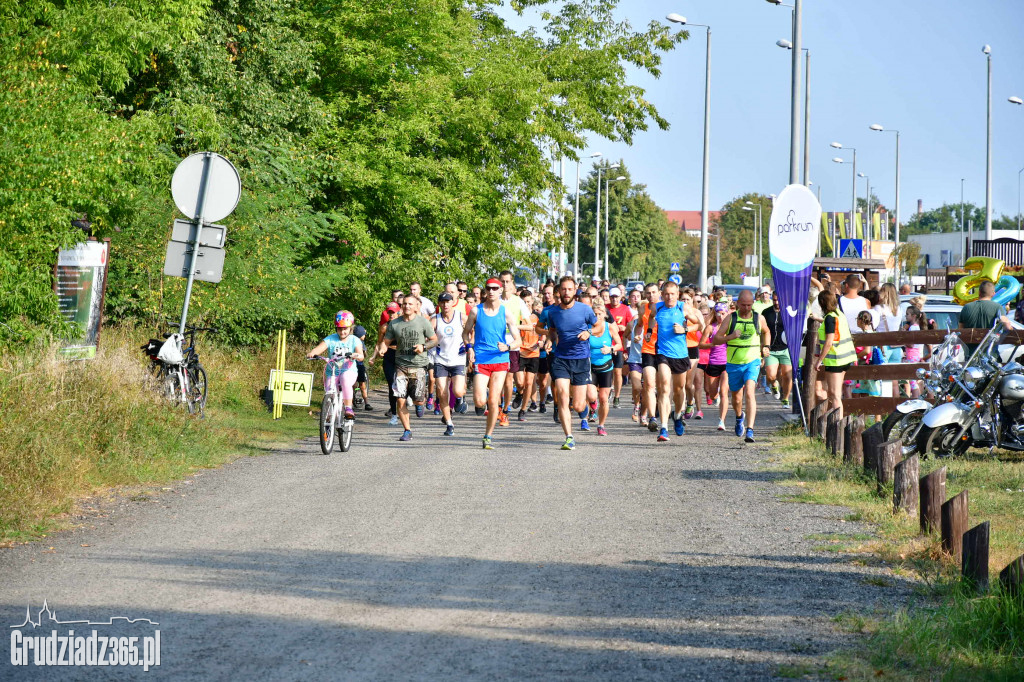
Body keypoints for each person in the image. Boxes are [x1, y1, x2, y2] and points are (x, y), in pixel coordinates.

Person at [536, 276, 600, 451]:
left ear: (575, 291)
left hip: (581, 359)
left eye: (569, 289)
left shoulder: (585, 310)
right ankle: (569, 437)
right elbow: (550, 330)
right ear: (559, 291)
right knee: (563, 397)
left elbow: (599, 327)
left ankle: (584, 411)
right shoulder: (553, 312)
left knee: (578, 405)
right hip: (561, 358)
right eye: (563, 289)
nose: (566, 292)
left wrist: (589, 332)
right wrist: (550, 339)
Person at [463, 278, 522, 450]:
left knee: (494, 400)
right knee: (480, 401)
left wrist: (508, 346)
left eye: (495, 288)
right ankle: (484, 397)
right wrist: (469, 347)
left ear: (500, 290)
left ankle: (488, 435)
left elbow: (518, 340)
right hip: (481, 359)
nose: (491, 291)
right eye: (488, 288)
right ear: (485, 291)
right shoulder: (476, 311)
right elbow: (465, 333)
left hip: (500, 359)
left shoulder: (506, 313)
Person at [712, 290, 771, 443]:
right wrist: (731, 336)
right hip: (733, 363)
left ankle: (750, 430)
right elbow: (717, 339)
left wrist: (766, 346)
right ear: (738, 304)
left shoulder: (758, 318)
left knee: (750, 392)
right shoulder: (731, 318)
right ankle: (739, 417)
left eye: (749, 305)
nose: (746, 308)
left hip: (752, 361)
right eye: (743, 305)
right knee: (736, 399)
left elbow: (766, 331)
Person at [377, 296, 438, 441]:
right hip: (400, 366)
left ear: (416, 306)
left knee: (418, 400)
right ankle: (407, 430)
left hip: (418, 366)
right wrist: (382, 349)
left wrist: (423, 346)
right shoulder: (394, 324)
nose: (407, 306)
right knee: (400, 399)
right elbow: (385, 342)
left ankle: (420, 403)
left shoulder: (423, 322)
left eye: (410, 304)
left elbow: (435, 340)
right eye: (404, 304)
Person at [650, 281, 701, 441]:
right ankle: (664, 428)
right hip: (663, 353)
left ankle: (678, 416)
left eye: (672, 294)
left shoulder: (682, 307)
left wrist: (684, 329)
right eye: (666, 294)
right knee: (665, 388)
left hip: (680, 354)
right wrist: (650, 331)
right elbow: (652, 318)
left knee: (679, 390)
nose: (669, 297)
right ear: (662, 294)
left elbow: (699, 325)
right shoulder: (657, 307)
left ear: (677, 294)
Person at [306, 310, 365, 420]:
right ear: (336, 328)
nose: (342, 332)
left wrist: (355, 355)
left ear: (350, 328)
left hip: (348, 371)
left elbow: (361, 355)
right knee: (329, 390)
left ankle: (348, 408)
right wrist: (312, 353)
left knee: (345, 379)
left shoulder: (354, 340)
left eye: (345, 329)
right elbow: (320, 348)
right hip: (332, 371)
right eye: (340, 329)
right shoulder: (331, 338)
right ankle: (329, 418)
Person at [814, 290, 856, 419]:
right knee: (836, 394)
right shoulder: (839, 314)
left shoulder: (829, 318)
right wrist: (818, 319)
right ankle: (838, 421)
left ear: (822, 303)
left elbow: (829, 342)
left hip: (835, 360)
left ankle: (838, 423)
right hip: (846, 358)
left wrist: (819, 360)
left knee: (835, 395)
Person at [433, 292, 468, 436]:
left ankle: (460, 399)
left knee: (458, 391)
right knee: (442, 391)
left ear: (453, 302)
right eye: (442, 302)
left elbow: (470, 332)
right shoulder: (435, 320)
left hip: (458, 358)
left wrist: (470, 347)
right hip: (441, 359)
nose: (445, 304)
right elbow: (429, 337)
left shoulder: (461, 317)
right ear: (439, 304)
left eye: (448, 301)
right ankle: (449, 423)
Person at [587, 299, 621, 435]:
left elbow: (619, 344)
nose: (597, 316)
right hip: (590, 365)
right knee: (591, 395)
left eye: (600, 314)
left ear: (605, 315)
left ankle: (601, 425)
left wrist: (611, 349)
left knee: (603, 398)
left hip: (606, 366)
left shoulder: (610, 327)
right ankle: (592, 404)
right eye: (594, 314)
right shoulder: (588, 328)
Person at [699, 303, 731, 430]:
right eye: (718, 313)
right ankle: (715, 397)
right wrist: (712, 344)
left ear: (727, 314)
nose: (720, 316)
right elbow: (700, 345)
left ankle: (721, 421)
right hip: (713, 363)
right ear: (715, 313)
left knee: (724, 392)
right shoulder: (710, 328)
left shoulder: (730, 329)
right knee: (712, 395)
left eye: (723, 313)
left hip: (727, 363)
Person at [637, 282, 662, 431]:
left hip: (664, 350)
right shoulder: (643, 308)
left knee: (662, 387)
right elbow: (639, 325)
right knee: (649, 385)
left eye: (653, 292)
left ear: (659, 293)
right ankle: (652, 418)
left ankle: (661, 409)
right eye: (648, 293)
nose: (651, 296)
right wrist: (638, 334)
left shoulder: (665, 308)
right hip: (648, 349)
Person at [762, 292, 793, 407]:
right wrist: (763, 347)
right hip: (771, 350)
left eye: (779, 300)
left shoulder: (789, 312)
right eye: (774, 300)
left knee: (787, 375)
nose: (776, 303)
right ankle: (774, 385)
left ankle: (785, 399)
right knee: (771, 376)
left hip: (785, 349)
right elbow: (762, 332)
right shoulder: (766, 312)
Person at [516, 288, 542, 422]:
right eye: (523, 302)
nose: (526, 304)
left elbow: (543, 331)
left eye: (528, 301)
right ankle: (519, 394)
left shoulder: (537, 317)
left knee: (528, 382)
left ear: (532, 302)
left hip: (533, 353)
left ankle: (523, 409)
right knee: (520, 383)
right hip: (520, 352)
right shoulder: (518, 317)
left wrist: (542, 341)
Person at [606, 286, 633, 409]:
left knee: (618, 372)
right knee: (607, 371)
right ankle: (607, 391)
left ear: (620, 297)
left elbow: (631, 325)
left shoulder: (625, 309)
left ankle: (617, 396)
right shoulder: (606, 308)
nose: (614, 299)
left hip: (619, 345)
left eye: (616, 297)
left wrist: (624, 328)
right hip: (606, 344)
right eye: (612, 297)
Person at [351, 321, 373, 411]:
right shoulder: (360, 343)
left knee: (352, 384)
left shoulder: (351, 340)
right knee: (362, 384)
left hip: (350, 365)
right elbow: (364, 354)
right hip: (359, 365)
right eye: (364, 334)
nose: (365, 336)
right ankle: (366, 402)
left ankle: (351, 401)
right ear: (360, 335)